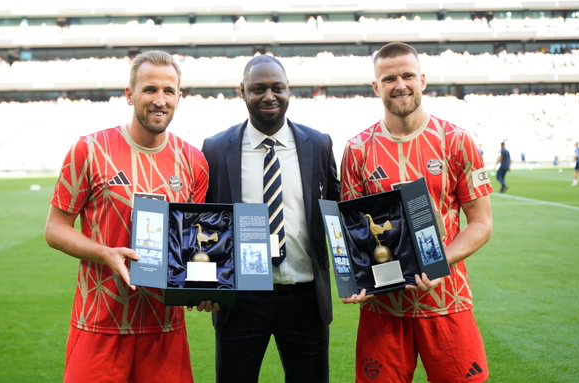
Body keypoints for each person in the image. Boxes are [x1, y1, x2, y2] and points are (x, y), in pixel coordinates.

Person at [45, 50, 213, 383]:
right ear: (129, 94)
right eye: (150, 89)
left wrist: (207, 289)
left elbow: (194, 247)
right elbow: (54, 229)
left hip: (165, 330)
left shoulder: (194, 162)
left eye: (168, 91)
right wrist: (105, 253)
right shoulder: (90, 150)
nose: (159, 100)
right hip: (99, 326)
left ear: (179, 97)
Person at [340, 42, 493, 383]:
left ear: (422, 80)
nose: (400, 84)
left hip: (447, 302)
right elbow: (353, 233)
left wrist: (439, 262)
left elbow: (482, 223)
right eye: (389, 78)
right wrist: (354, 277)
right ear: (376, 87)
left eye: (407, 75)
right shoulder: (357, 150)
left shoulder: (457, 140)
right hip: (384, 309)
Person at [201, 55, 340, 383]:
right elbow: (205, 220)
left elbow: (337, 209)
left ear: (289, 90)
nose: (269, 96)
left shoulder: (319, 144)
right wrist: (205, 283)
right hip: (241, 299)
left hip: (305, 296)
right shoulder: (216, 149)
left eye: (278, 88)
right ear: (242, 92)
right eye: (258, 88)